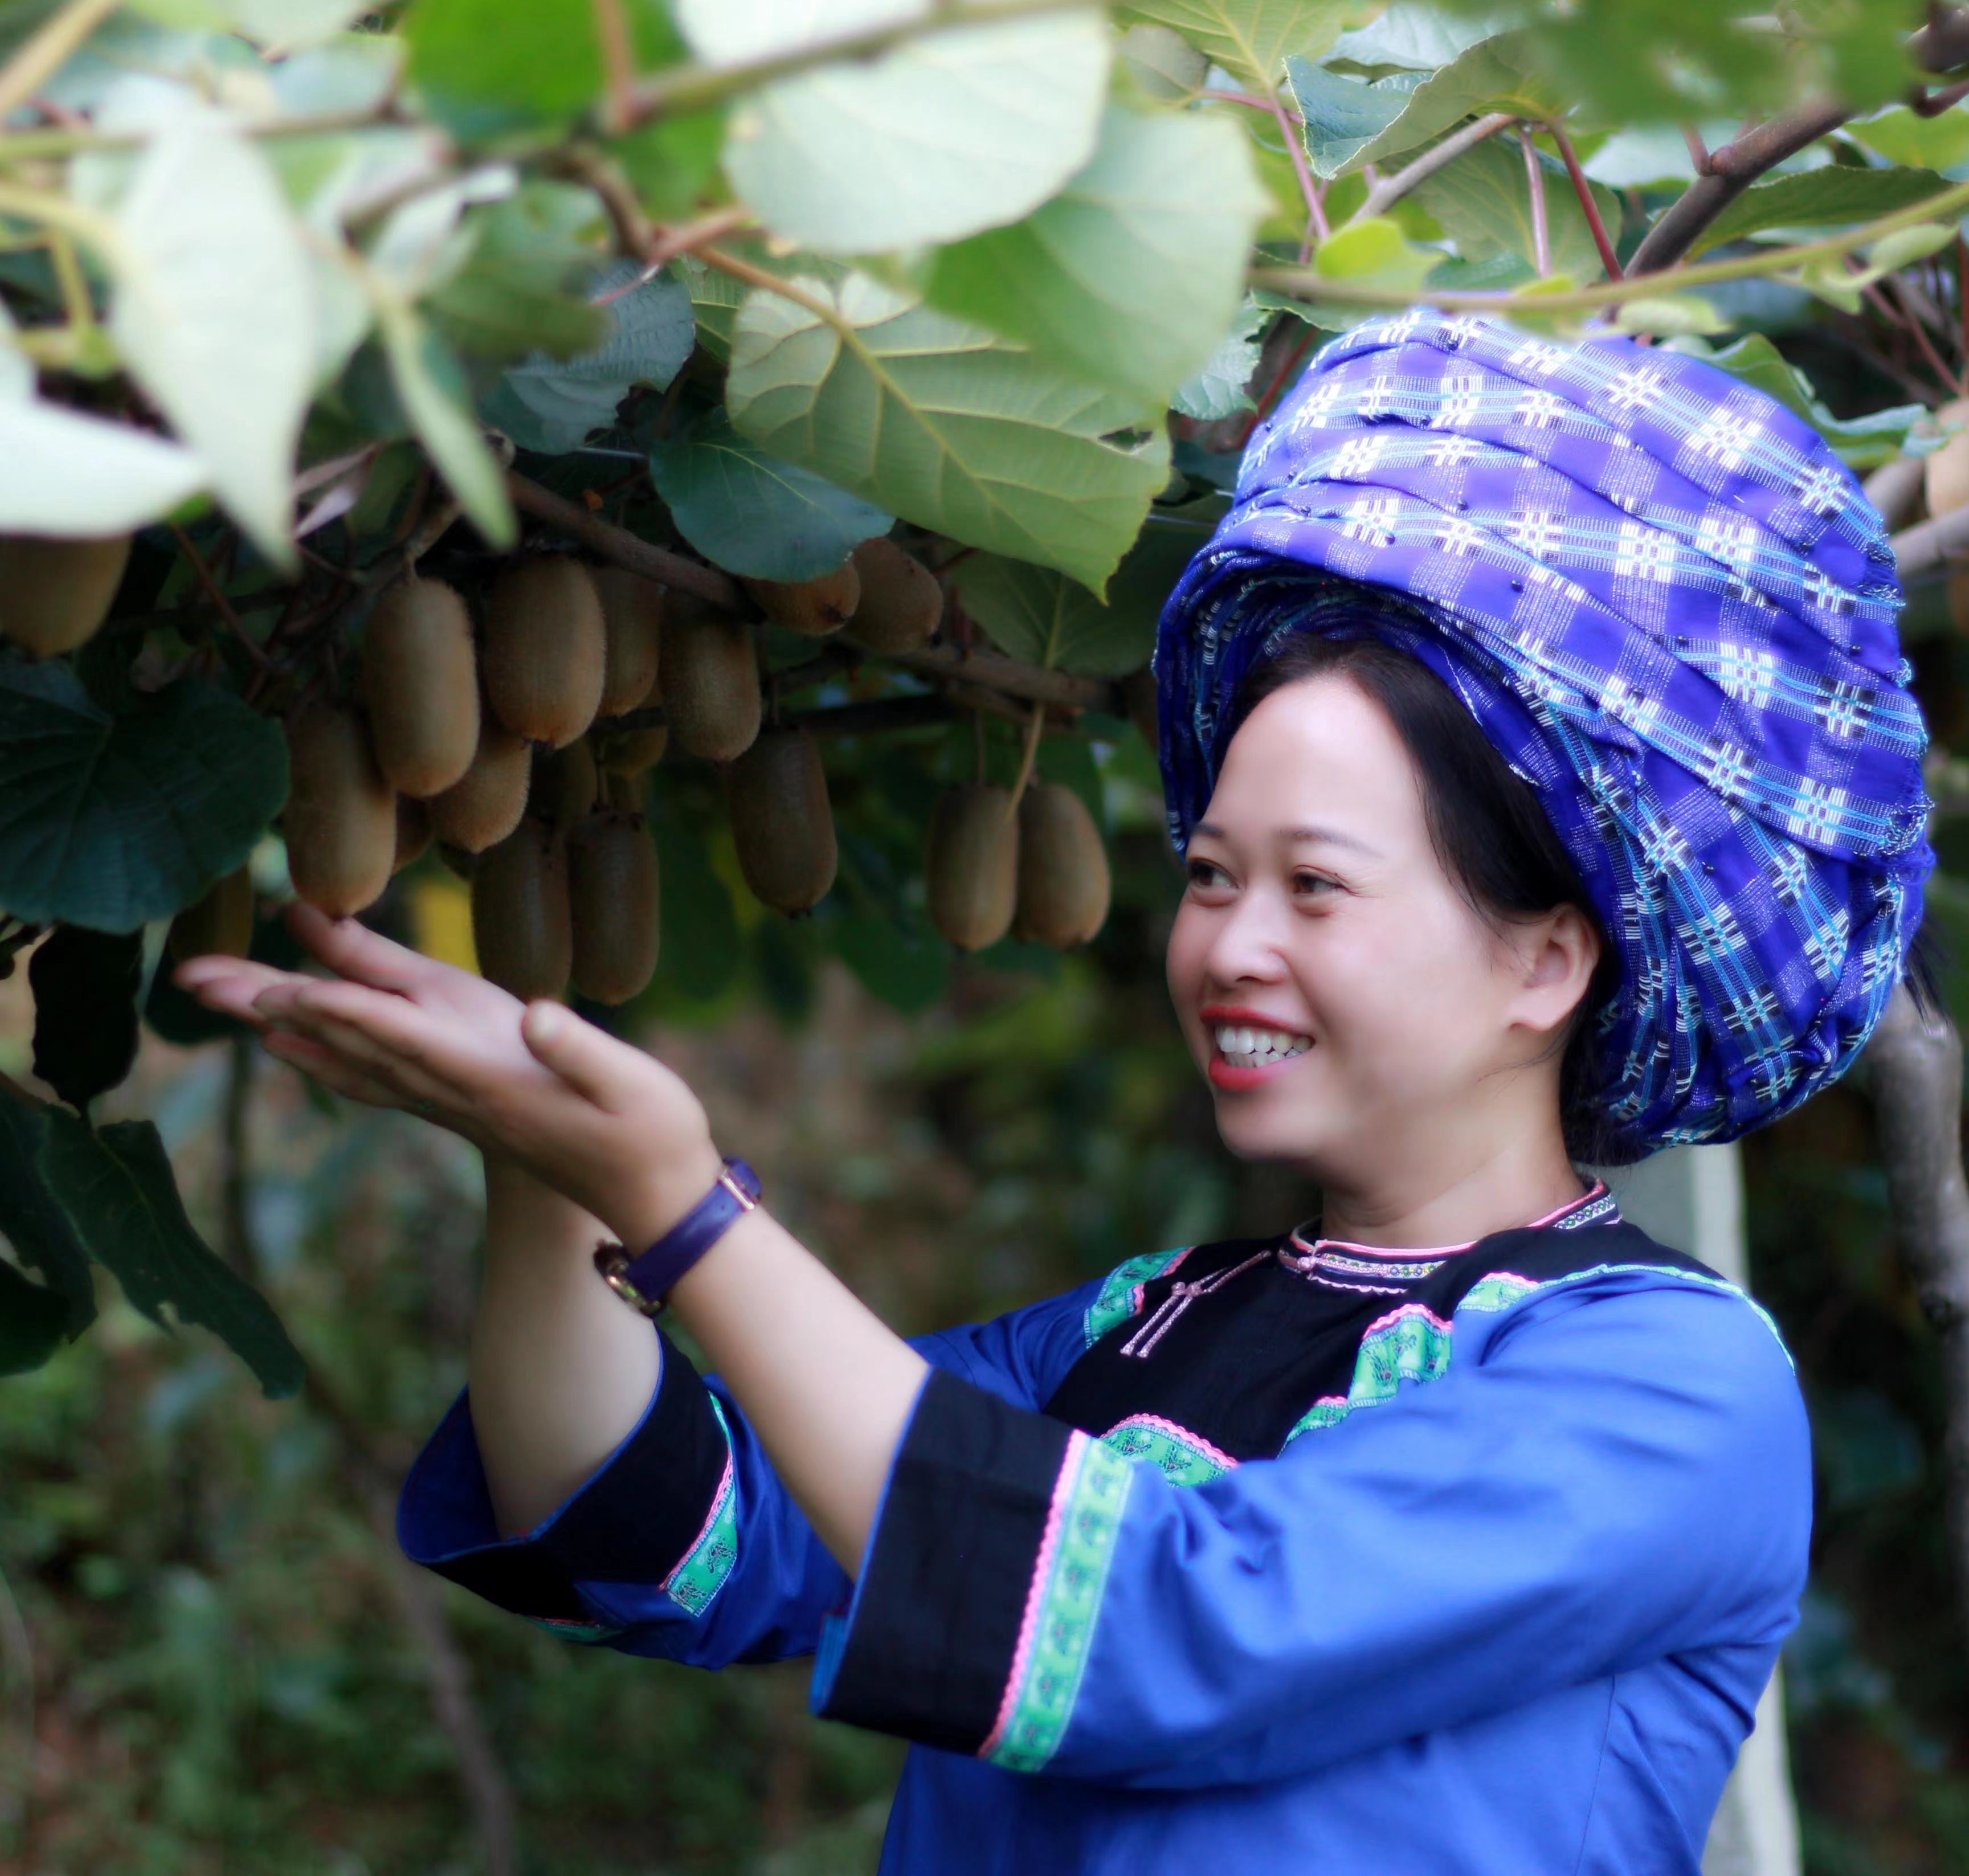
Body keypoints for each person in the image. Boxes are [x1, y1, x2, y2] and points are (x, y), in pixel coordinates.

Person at [179, 306, 1936, 1875]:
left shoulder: (1666, 1384)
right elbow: (673, 1530)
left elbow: (1165, 1640)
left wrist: (688, 1214)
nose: (1230, 944)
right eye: (1214, 875)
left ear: (1547, 961)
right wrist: (544, 1175)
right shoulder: (1139, 1330)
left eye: (1315, 887)